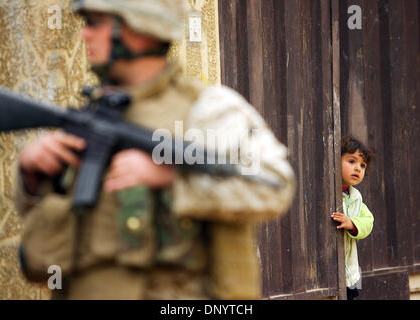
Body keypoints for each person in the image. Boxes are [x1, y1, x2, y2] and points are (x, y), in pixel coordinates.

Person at [15, 0, 295, 299]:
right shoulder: (96, 111)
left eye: (95, 22)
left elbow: (274, 185)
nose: (84, 35)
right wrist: (31, 177)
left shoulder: (208, 109)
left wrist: (174, 177)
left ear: (139, 30)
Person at [331, 136, 375, 300]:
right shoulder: (329, 191)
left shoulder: (355, 197)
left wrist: (352, 223)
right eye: (352, 161)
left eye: (362, 165)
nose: (358, 168)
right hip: (330, 271)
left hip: (350, 271)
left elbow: (368, 221)